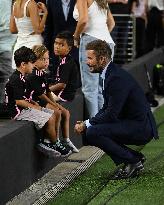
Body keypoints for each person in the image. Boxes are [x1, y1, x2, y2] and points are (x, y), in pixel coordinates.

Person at [74, 39, 158, 179]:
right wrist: (89, 122)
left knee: (93, 132)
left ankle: (133, 161)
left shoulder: (115, 77)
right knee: (92, 130)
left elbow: (111, 114)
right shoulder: (111, 74)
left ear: (102, 59)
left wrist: (86, 123)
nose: (87, 62)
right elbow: (107, 109)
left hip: (141, 128)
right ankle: (134, 159)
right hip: (135, 123)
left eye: (90, 58)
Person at [5, 46, 72, 157]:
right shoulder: (16, 79)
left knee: (52, 114)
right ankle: (54, 143)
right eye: (32, 63)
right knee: (49, 117)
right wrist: (37, 108)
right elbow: (18, 101)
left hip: (23, 108)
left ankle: (50, 141)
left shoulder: (21, 77)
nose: (33, 65)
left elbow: (24, 96)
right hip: (18, 112)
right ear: (23, 64)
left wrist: (32, 102)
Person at [27, 44, 79, 152]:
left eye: (47, 59)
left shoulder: (42, 73)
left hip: (42, 99)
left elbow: (47, 91)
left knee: (65, 112)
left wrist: (54, 103)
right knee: (56, 112)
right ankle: (52, 140)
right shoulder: (33, 74)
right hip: (36, 101)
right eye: (42, 59)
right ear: (34, 60)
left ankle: (65, 139)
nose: (46, 62)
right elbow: (41, 95)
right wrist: (54, 104)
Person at [73, 0, 115, 118]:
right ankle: (103, 123)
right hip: (107, 42)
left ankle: (95, 127)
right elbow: (111, 23)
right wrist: (102, 37)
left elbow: (83, 20)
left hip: (90, 41)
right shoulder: (102, 1)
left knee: (90, 88)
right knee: (102, 87)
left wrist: (75, 37)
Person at [44, 0, 78, 77]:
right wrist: (47, 48)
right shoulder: (51, 2)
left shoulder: (79, 1)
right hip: (57, 49)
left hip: (75, 47)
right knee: (56, 76)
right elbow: (48, 26)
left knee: (75, 79)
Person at [10, 0, 48, 69]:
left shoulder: (15, 4)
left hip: (19, 45)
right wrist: (45, 13)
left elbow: (13, 29)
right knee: (36, 76)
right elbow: (38, 30)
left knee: (20, 76)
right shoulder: (31, 3)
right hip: (34, 44)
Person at [49, 31, 79, 102]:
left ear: (69, 48)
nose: (57, 47)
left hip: (64, 95)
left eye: (61, 45)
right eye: (56, 43)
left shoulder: (68, 63)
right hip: (60, 92)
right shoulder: (63, 60)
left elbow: (62, 85)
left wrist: (46, 90)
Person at [0, 0, 16, 103]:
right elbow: (6, 24)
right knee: (7, 77)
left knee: (7, 77)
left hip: (7, 44)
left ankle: (4, 105)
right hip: (6, 44)